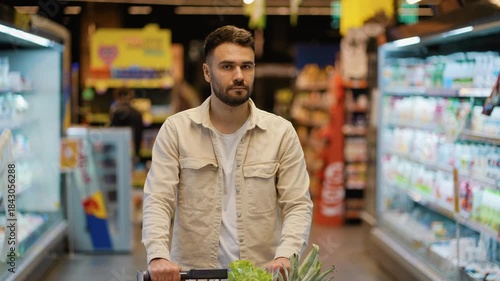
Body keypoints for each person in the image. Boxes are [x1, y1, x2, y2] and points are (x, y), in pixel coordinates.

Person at [142, 25, 313, 281]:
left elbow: (297, 204)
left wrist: (286, 255)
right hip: (193, 274)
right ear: (207, 72)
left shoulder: (281, 133)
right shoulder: (177, 131)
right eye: (227, 66)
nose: (239, 76)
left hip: (261, 274)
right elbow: (158, 198)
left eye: (247, 66)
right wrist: (158, 256)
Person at [109, 87, 143, 160]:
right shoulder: (137, 113)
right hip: (133, 149)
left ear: (118, 97)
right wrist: (137, 152)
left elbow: (113, 132)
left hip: (119, 150)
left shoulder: (117, 112)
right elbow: (139, 134)